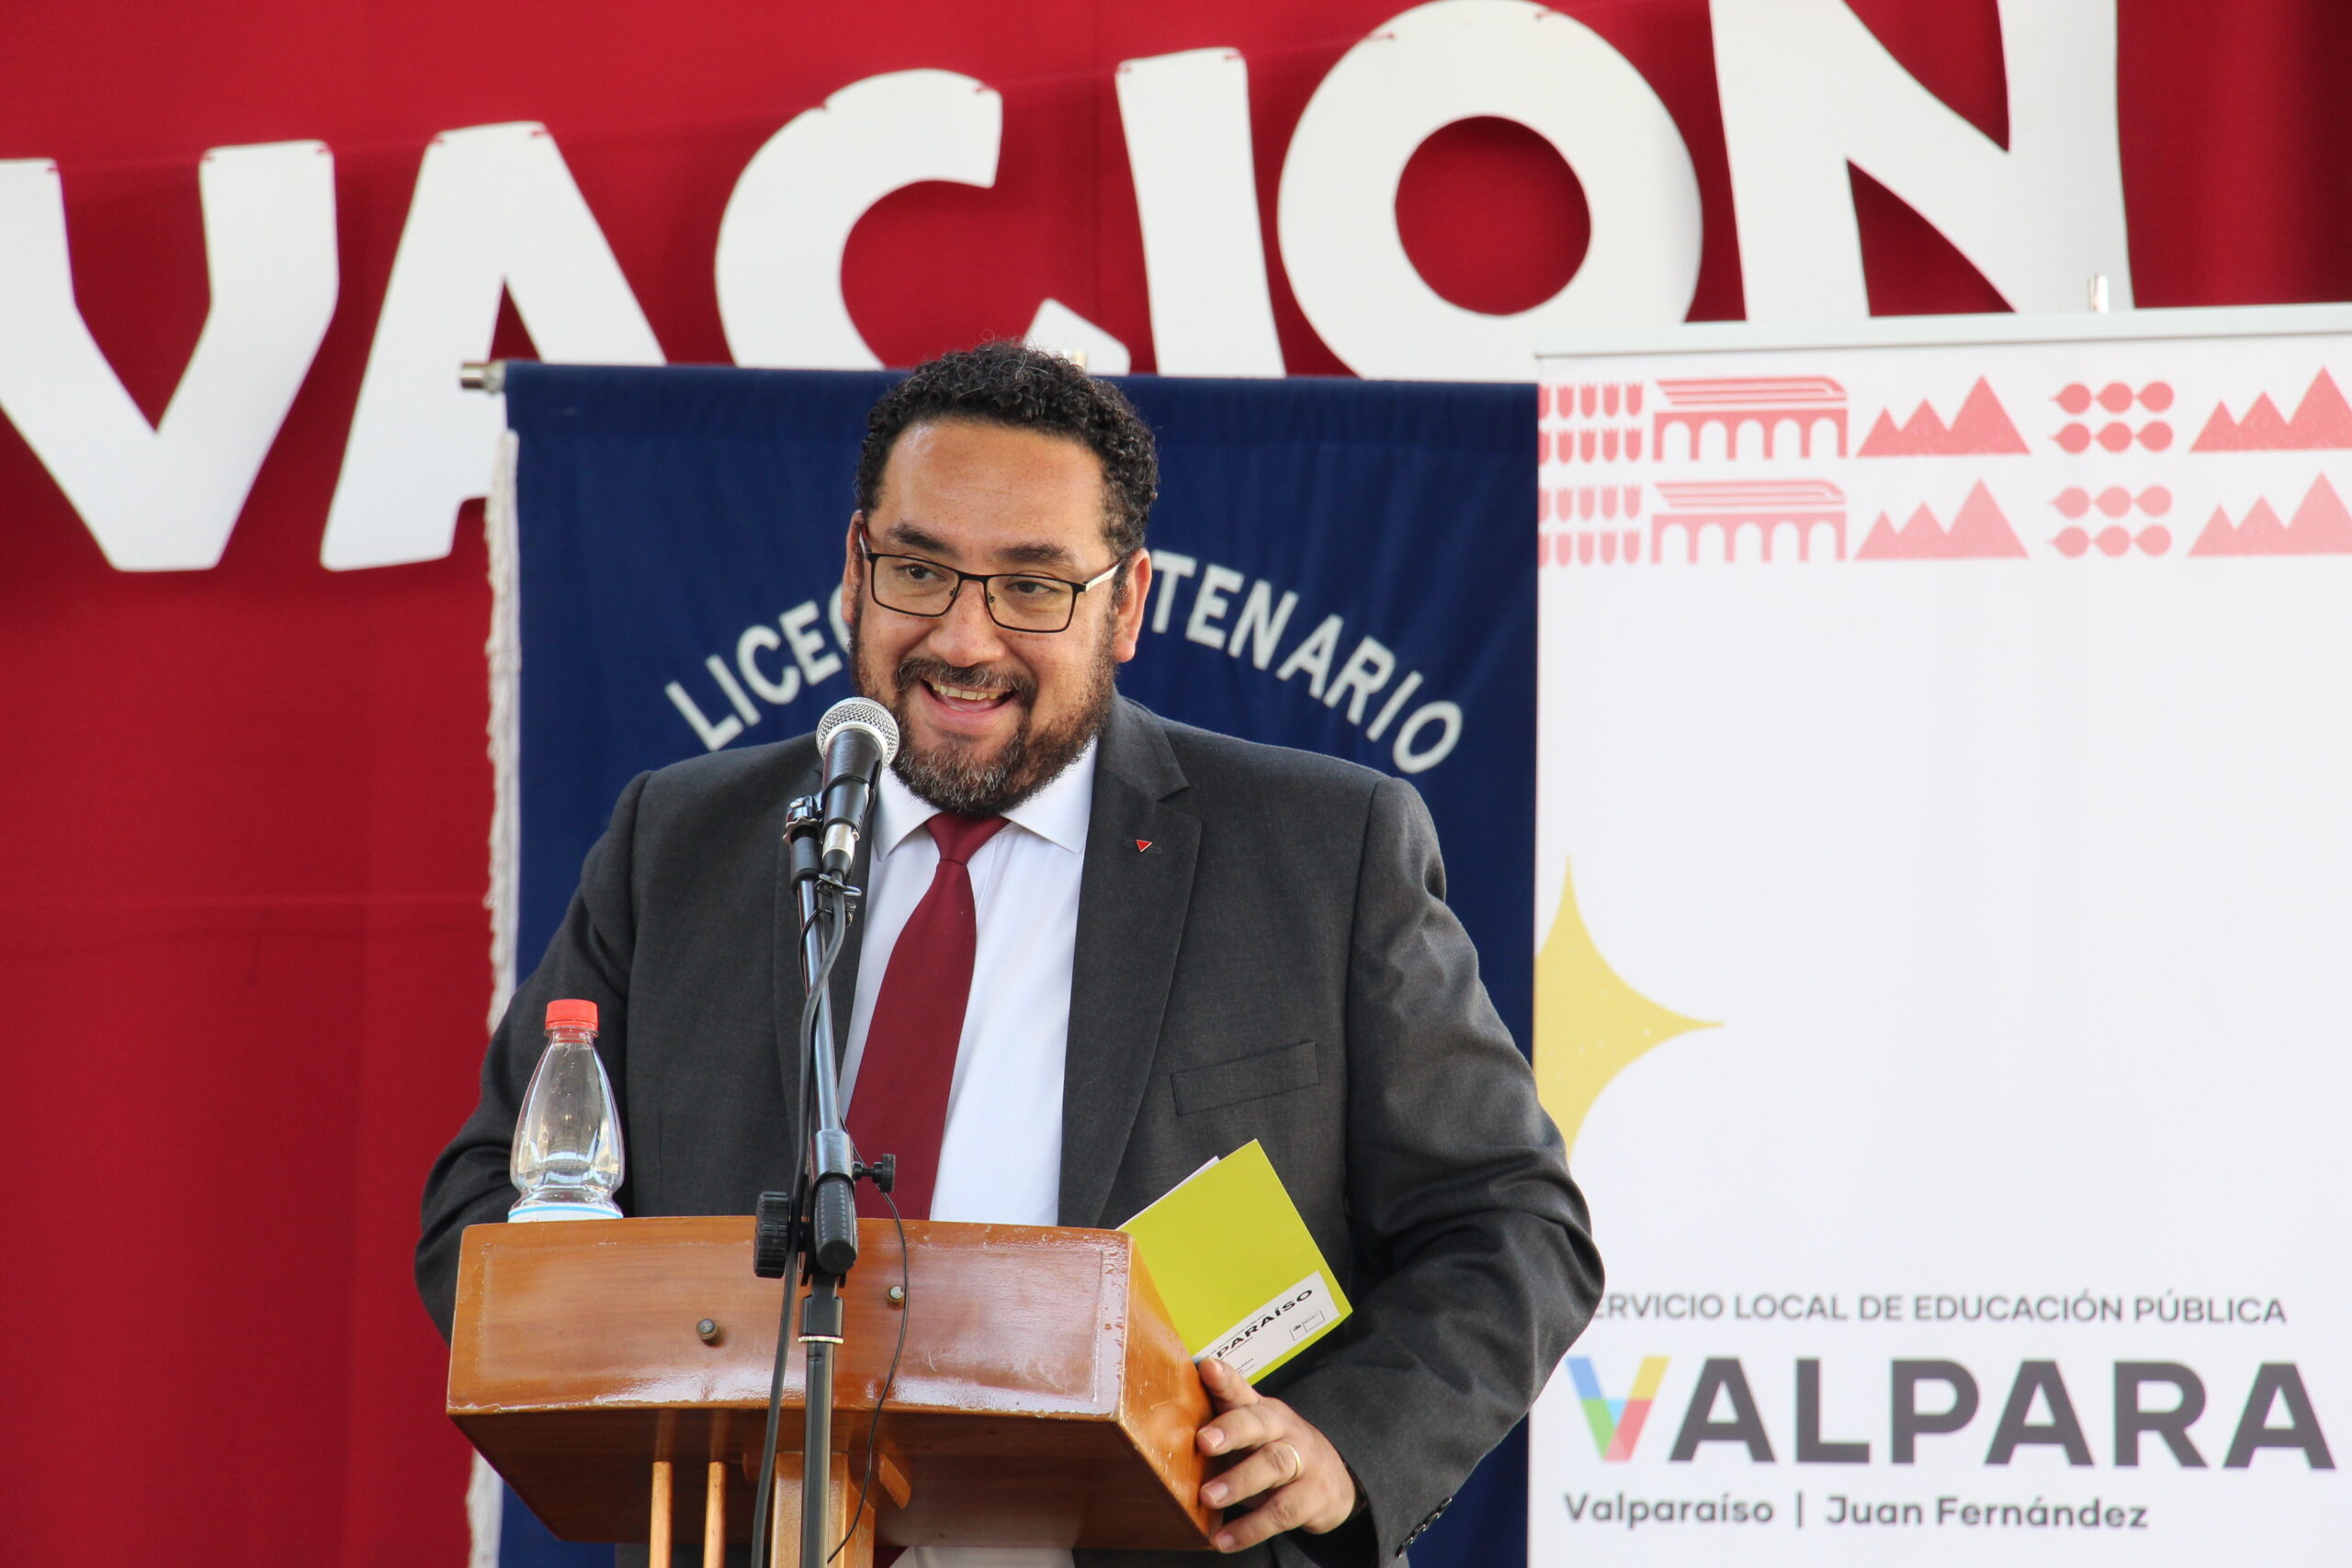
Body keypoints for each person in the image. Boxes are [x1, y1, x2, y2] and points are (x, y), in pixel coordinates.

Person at [418, 342, 1600, 1568]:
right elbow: (486, 1207)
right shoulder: (683, 841)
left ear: (1127, 603)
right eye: (920, 571)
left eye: (1033, 587)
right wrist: (639, 1379)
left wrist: (1342, 1446)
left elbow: (1510, 1225)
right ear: (854, 568)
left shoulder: (1321, 851)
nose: (964, 640)